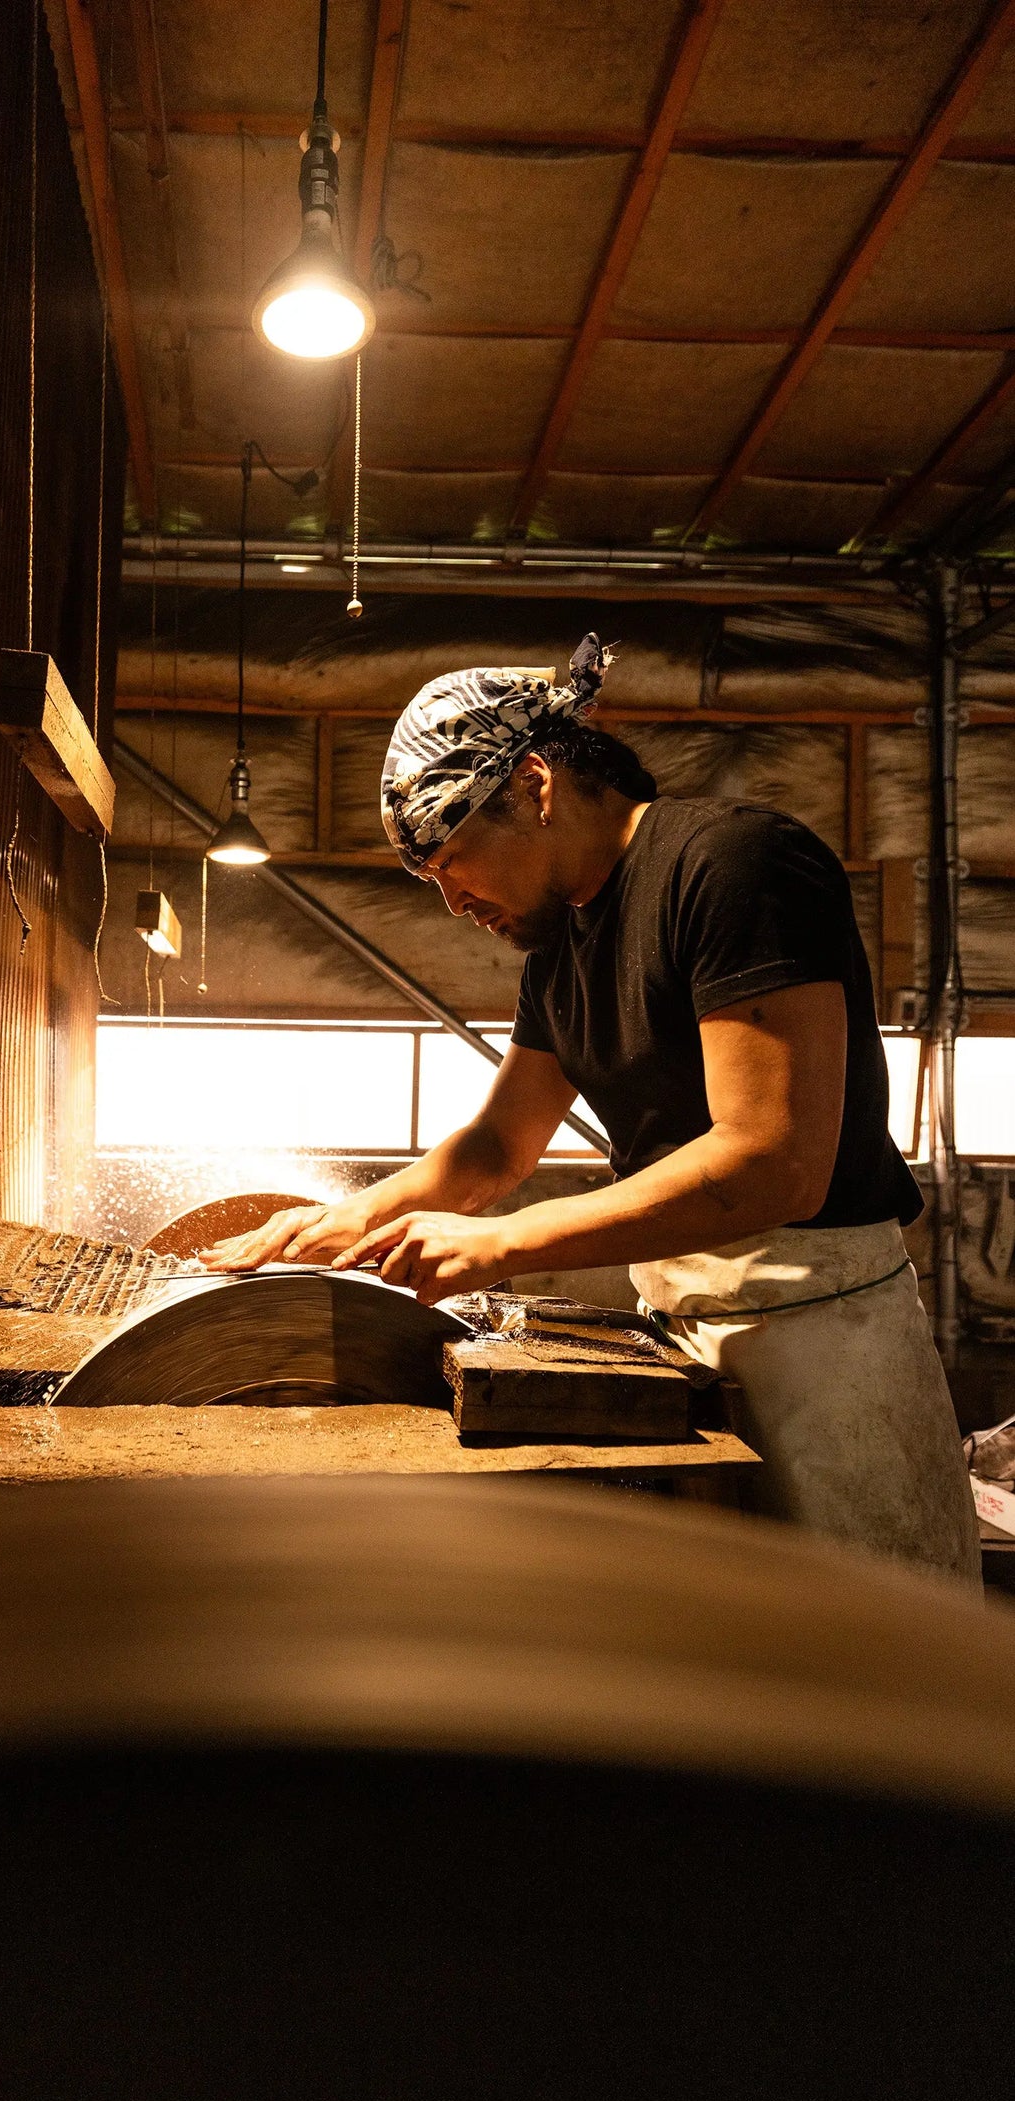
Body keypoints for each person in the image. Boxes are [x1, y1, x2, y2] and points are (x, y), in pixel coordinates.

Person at [201, 637, 979, 1582]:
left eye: (453, 859)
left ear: (533, 784)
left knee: (868, 1647)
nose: (451, 901)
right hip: (685, 1318)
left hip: (822, 1340)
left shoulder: (732, 865)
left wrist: (501, 1243)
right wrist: (351, 1217)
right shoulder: (560, 947)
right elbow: (495, 1144)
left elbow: (771, 1160)